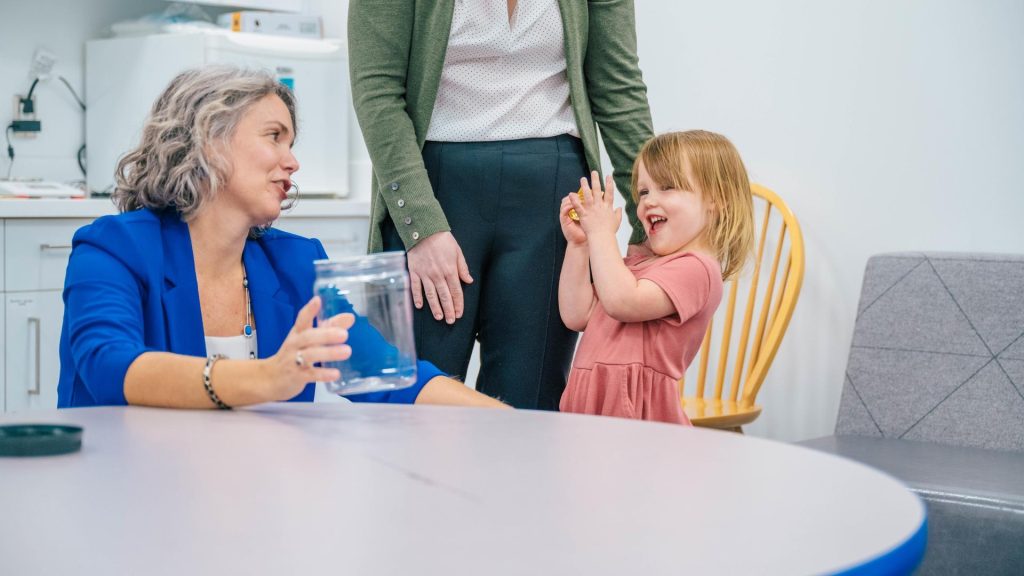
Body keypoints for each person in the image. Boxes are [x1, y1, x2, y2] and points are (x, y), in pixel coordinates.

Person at [57, 66, 506, 410]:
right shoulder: (114, 248)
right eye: (275, 137)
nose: (292, 162)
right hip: (126, 492)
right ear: (209, 141)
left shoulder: (295, 263)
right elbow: (111, 367)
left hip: (254, 497)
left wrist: (519, 426)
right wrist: (269, 378)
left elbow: (391, 379)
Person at [348, 0, 654, 410]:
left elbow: (618, 90)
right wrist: (420, 225)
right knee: (414, 398)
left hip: (553, 199)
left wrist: (648, 221)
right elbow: (378, 92)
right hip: (433, 191)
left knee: (530, 401)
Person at [557, 131, 755, 424]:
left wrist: (601, 233)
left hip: (638, 413)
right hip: (594, 401)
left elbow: (623, 301)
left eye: (667, 187)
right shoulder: (638, 265)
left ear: (718, 199)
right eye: (644, 192)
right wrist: (579, 245)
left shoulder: (698, 268)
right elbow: (578, 314)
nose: (649, 201)